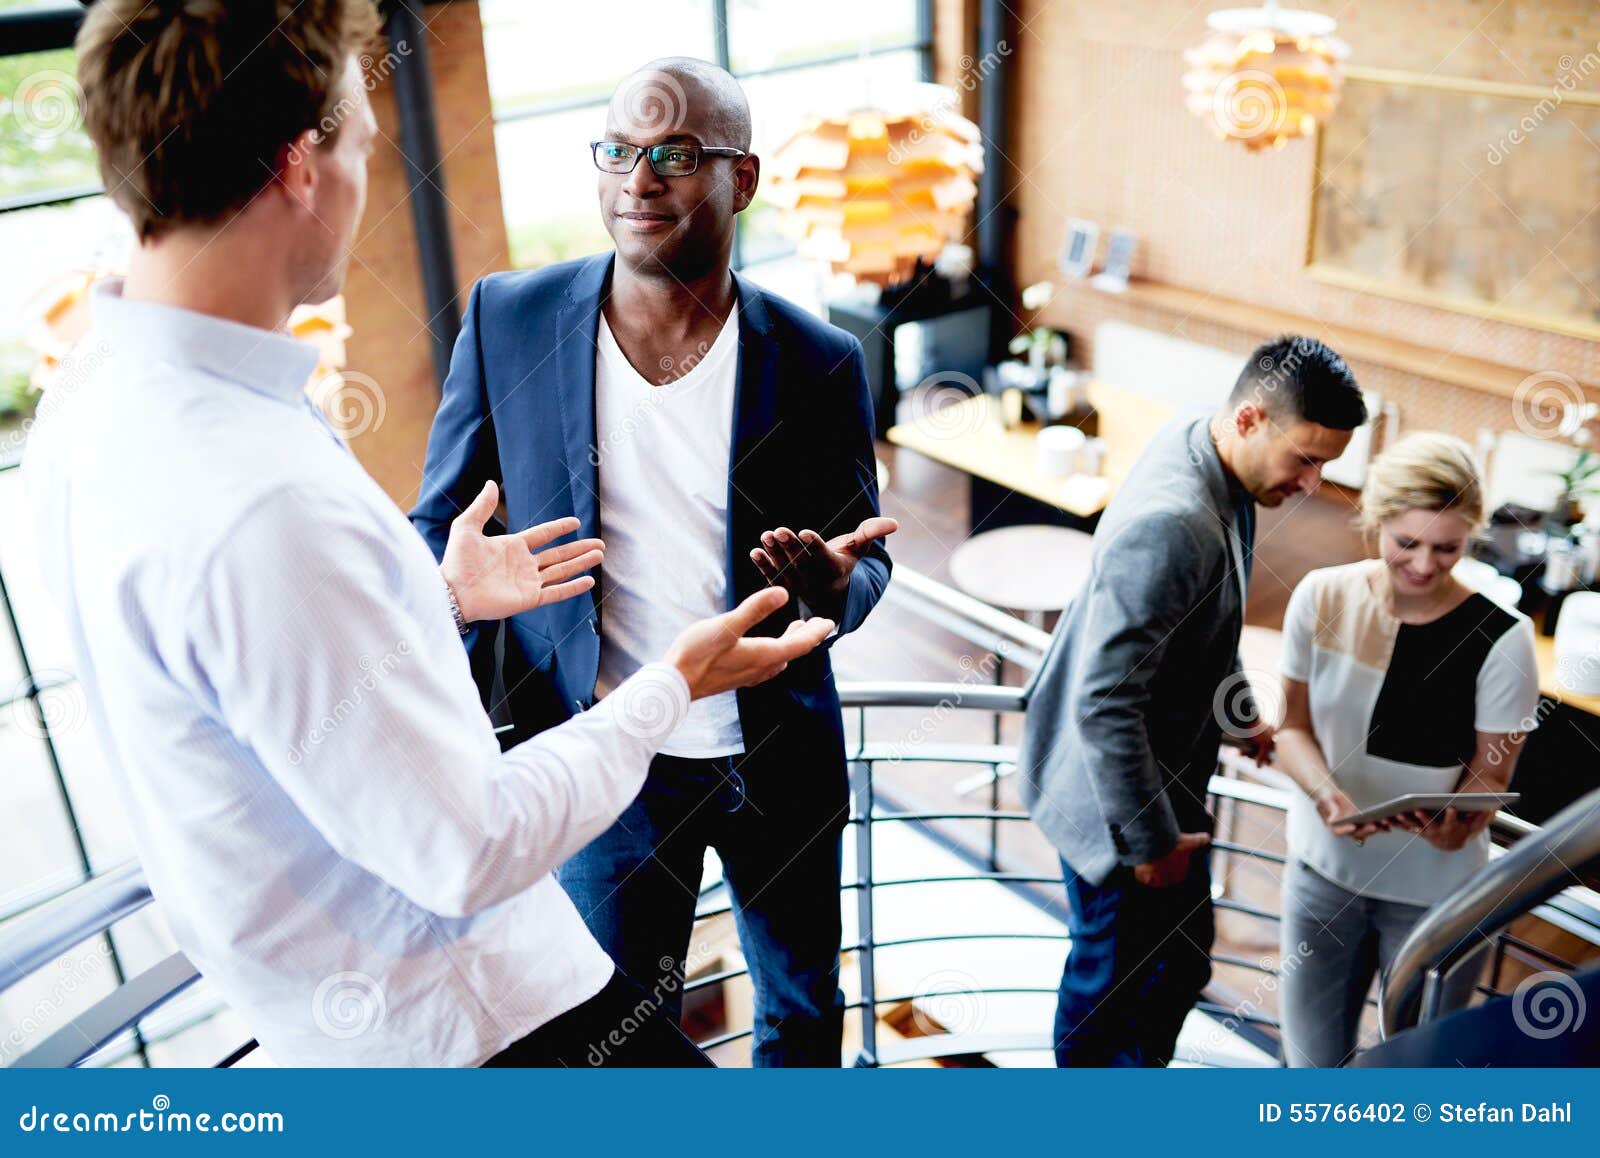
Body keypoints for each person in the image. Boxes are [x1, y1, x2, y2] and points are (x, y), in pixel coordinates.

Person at [25, 0, 834, 1068]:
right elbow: (467, 848)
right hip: (487, 1025)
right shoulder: (264, 498)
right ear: (300, 166)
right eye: (363, 143)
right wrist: (671, 685)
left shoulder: (85, 404)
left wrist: (437, 599)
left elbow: (273, 674)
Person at [410, 58, 895, 1067]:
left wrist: (838, 590)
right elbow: (437, 531)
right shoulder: (508, 320)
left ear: (741, 178)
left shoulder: (819, 359)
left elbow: (865, 559)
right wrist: (454, 594)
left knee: (804, 1010)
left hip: (776, 756)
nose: (638, 181)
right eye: (619, 152)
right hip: (605, 762)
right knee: (619, 1037)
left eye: (674, 156)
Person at [1018, 335, 1367, 1067]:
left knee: (1178, 964)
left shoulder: (1204, 441)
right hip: (1121, 806)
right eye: (1305, 459)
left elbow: (1202, 627)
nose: (1312, 485)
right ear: (1248, 419)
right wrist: (1149, 844)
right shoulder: (1175, 522)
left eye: (1326, 466)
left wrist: (1240, 718)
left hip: (1160, 782)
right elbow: (1106, 702)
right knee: (1108, 992)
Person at [1274, 432, 1539, 1067]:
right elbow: (1290, 728)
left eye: (1447, 547)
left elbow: (1491, 773)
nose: (1424, 565)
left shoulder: (1505, 637)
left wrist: (1459, 824)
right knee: (1311, 1067)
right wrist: (1326, 795)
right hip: (1323, 869)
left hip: (1437, 892)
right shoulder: (1320, 596)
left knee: (1419, 1073)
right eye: (1407, 542)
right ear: (1376, 519)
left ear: (1472, 536)